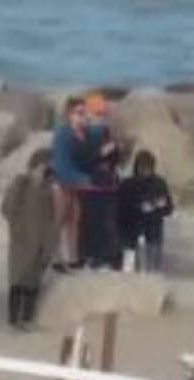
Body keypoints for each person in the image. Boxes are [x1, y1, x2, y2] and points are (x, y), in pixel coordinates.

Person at [1, 149, 59, 329]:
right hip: (22, 242)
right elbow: (7, 209)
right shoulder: (21, 185)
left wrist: (51, 244)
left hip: (40, 243)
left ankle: (27, 319)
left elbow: (51, 219)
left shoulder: (47, 190)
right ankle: (13, 320)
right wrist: (18, 228)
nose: (45, 170)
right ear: (35, 166)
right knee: (18, 280)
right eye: (44, 166)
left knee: (33, 283)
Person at [72, 94, 123, 270]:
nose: (101, 118)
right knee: (89, 223)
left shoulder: (106, 134)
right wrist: (99, 154)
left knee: (108, 223)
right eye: (97, 114)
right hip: (89, 187)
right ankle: (89, 256)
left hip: (108, 187)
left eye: (102, 114)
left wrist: (113, 153)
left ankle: (108, 257)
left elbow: (116, 159)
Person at [116, 150, 174, 275]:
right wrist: (139, 207)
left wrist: (159, 206)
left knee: (153, 266)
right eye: (142, 167)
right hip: (132, 228)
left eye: (148, 168)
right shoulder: (128, 184)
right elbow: (121, 207)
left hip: (152, 229)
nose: (145, 171)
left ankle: (152, 271)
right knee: (129, 267)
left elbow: (169, 208)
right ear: (137, 167)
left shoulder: (159, 183)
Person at [48, 98, 91, 266]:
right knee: (60, 219)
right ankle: (56, 258)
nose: (83, 116)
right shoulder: (63, 132)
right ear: (69, 114)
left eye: (83, 112)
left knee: (74, 220)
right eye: (79, 112)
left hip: (74, 183)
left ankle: (72, 257)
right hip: (62, 182)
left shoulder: (81, 133)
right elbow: (61, 161)